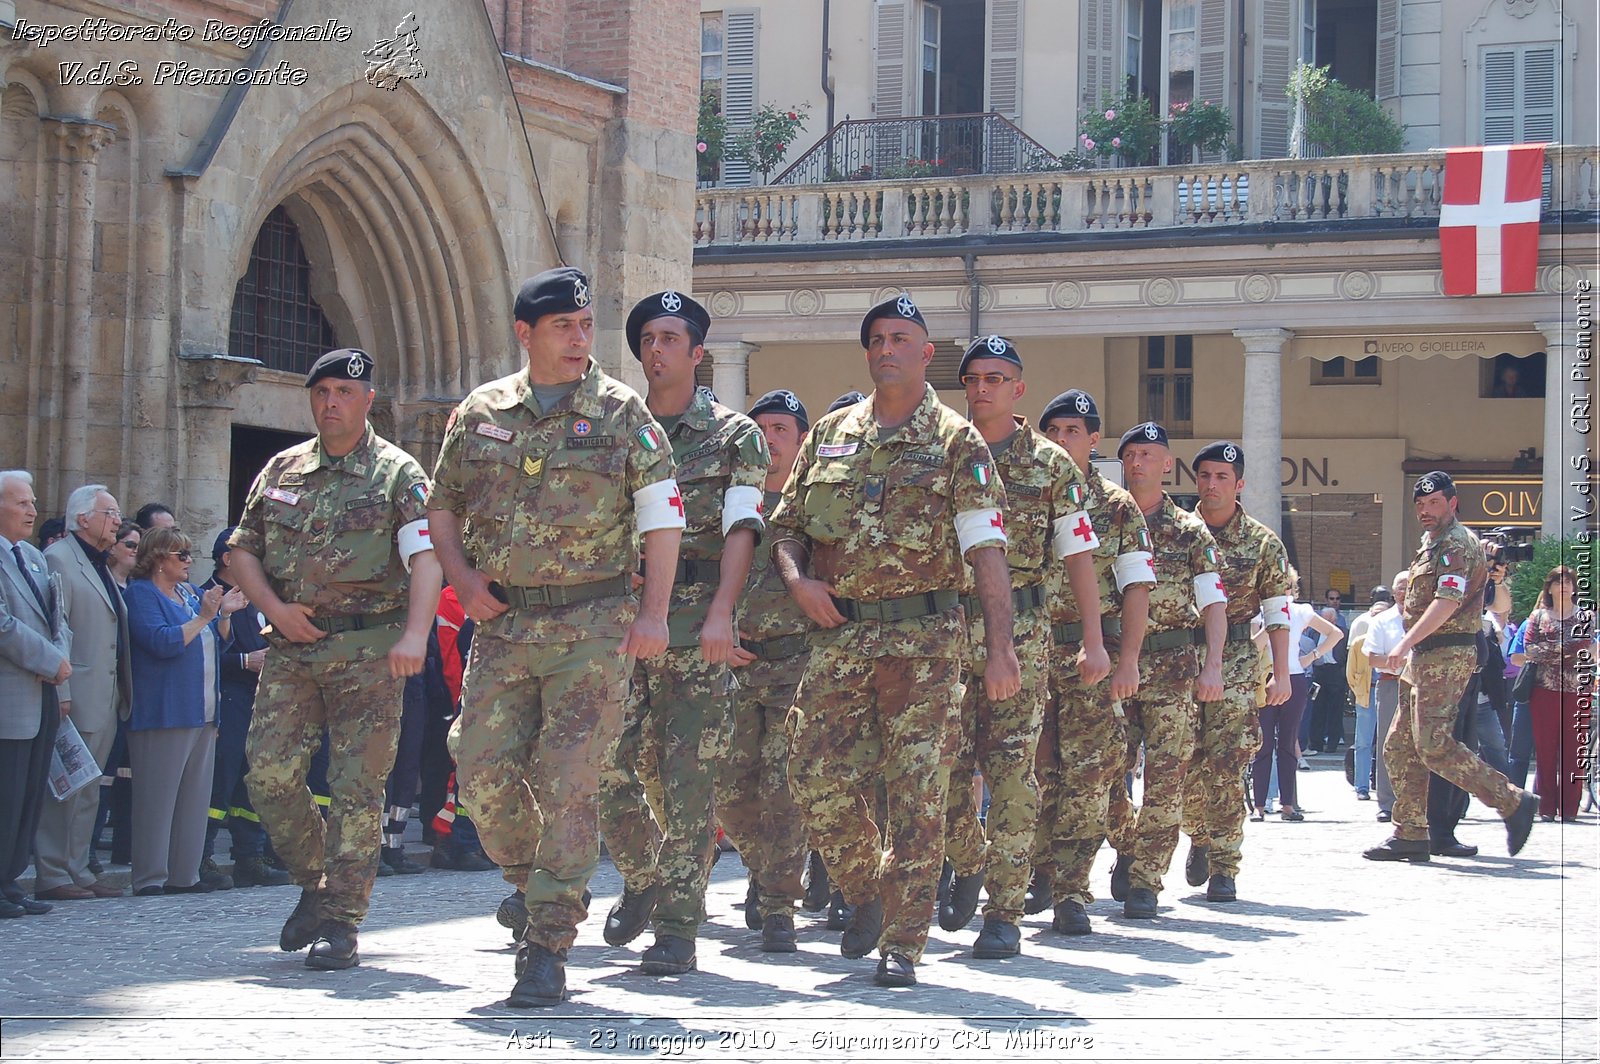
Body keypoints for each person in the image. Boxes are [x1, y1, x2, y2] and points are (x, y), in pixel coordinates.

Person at [427, 267, 684, 1007]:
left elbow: (662, 519)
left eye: (584, 325)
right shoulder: (481, 411)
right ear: (525, 333)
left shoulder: (620, 411)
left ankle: (545, 946)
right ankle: (536, 882)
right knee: (477, 771)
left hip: (593, 627)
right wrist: (463, 580)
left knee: (570, 785)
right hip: (505, 624)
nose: (579, 338)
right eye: (563, 326)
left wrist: (654, 614)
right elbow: (441, 506)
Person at [770, 293, 1017, 987]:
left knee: (916, 790)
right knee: (812, 771)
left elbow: (987, 551)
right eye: (876, 337)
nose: (886, 348)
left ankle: (905, 941)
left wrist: (1000, 649)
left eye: (900, 337)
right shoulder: (831, 433)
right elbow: (787, 528)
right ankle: (869, 886)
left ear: (925, 351)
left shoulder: (956, 441)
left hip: (925, 637)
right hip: (841, 635)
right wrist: (797, 582)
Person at [228, 348, 442, 970]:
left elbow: (425, 560)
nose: (331, 403)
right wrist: (274, 606)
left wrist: (414, 636)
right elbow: (243, 550)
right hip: (294, 648)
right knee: (267, 774)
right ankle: (316, 882)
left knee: (356, 788)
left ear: (367, 399)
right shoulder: (283, 468)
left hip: (370, 650)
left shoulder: (399, 474)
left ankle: (342, 921)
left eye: (343, 392)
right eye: (321, 392)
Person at [598, 291, 768, 977]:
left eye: (672, 338)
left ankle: (676, 926)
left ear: (698, 354)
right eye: (649, 339)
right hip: (621, 618)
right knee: (605, 765)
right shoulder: (613, 430)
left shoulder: (734, 437)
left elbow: (741, 528)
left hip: (698, 617)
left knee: (689, 776)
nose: (657, 349)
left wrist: (724, 611)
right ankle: (643, 875)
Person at [938, 339, 1107, 958]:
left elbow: (1080, 558)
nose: (982, 389)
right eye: (974, 379)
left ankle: (1004, 911)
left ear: (1019, 390)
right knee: (945, 769)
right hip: (946, 631)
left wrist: (1093, 639)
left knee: (1011, 773)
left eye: (996, 379)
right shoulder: (941, 452)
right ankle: (968, 857)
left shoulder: (1052, 466)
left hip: (1025, 635)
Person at [1362, 472, 1538, 863]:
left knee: (1434, 745)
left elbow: (1447, 602)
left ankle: (1513, 802)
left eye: (1434, 503)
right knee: (1400, 744)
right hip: (1426, 656)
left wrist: (1404, 643)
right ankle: (1410, 832)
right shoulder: (1434, 544)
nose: (1425, 511)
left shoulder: (1457, 543)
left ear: (1452, 502)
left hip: (1446, 654)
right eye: (1421, 505)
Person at [1031, 389, 1154, 936]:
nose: (1061, 441)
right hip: (1031, 652)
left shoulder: (1117, 507)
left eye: (1072, 432)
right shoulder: (1025, 496)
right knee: (1033, 770)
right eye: (1052, 432)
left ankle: (1070, 890)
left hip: (1091, 654)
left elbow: (1135, 588)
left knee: (1087, 774)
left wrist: (1126, 658)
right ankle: (1036, 866)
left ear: (1094, 440)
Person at [1103, 422, 1226, 919]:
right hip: (1114, 661)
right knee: (1105, 769)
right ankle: (1127, 842)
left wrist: (1213, 664)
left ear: (1167, 465)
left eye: (1148, 455)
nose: (1138, 463)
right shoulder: (1103, 519)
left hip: (1173, 665)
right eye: (1130, 455)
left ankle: (1147, 879)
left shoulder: (1190, 531)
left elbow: (1214, 602)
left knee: (1166, 776)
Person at [715, 388, 816, 953]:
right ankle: (766, 869)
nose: (770, 439)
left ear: (801, 440)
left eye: (781, 428)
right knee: (731, 789)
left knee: (784, 790)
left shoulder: (813, 507)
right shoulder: (736, 505)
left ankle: (779, 903)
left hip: (798, 664)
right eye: (761, 428)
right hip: (737, 662)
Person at [1180, 441, 1292, 901]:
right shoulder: (1180, 533)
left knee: (1226, 768)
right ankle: (1198, 834)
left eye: (1222, 477)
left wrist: (1281, 673)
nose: (1211, 485)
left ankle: (1226, 867)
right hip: (1181, 661)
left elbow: (1279, 611)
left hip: (1239, 668)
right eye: (1204, 476)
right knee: (1182, 765)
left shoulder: (1263, 542)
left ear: (1239, 484)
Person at [124, 526, 245, 896]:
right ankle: (150, 877)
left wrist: (222, 615)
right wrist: (207, 616)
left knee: (194, 799)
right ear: (159, 559)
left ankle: (184, 874)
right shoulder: (142, 594)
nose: (189, 561)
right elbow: (161, 642)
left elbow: (215, 646)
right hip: (165, 710)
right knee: (157, 800)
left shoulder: (188, 593)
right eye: (181, 555)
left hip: (203, 710)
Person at [35, 485, 131, 901]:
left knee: (90, 786)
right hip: (76, 691)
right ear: (82, 519)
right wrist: (62, 689)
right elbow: (56, 630)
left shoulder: (100, 564)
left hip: (105, 694)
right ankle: (53, 871)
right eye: (109, 513)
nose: (116, 520)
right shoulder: (58, 560)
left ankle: (78, 867)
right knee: (66, 786)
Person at [198, 528, 290, 889]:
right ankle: (201, 855)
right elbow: (202, 651)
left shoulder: (257, 597)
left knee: (251, 784)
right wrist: (242, 661)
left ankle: (249, 857)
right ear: (228, 559)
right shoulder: (208, 596)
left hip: (258, 701)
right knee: (219, 783)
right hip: (227, 699)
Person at [0, 469, 72, 919]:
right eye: (22, 502)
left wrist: (59, 658)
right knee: (5, 793)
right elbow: (3, 624)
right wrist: (49, 660)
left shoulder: (32, 556)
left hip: (43, 690)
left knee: (29, 793)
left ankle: (10, 879)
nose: (32, 510)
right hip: (11, 694)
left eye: (32, 502)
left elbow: (56, 616)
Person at [1251, 573, 1341, 823]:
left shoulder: (1301, 611)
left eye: (1288, 587)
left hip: (1295, 676)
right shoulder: (1260, 611)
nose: (1284, 591)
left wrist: (1311, 656)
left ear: (1293, 589)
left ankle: (1288, 804)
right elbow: (1253, 647)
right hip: (1265, 677)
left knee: (1289, 742)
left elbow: (1335, 634)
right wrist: (1271, 623)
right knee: (1263, 743)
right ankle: (1259, 805)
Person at [1521, 566, 1593, 821]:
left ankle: (1570, 809)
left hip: (1577, 691)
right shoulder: (1538, 616)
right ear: (1549, 587)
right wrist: (1566, 650)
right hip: (1543, 690)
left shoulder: (1585, 616)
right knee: (1545, 751)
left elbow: (1585, 645)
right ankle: (1547, 808)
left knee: (1574, 751)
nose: (1563, 585)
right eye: (1557, 581)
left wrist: (1551, 649)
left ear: (1574, 587)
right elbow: (1530, 649)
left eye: (1568, 581)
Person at [1345, 586, 1394, 800]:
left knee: (1388, 741)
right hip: (1367, 693)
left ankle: (1387, 785)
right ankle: (1361, 786)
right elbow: (1351, 671)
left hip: (1388, 689)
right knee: (1363, 741)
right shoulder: (1360, 641)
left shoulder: (1394, 638)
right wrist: (1358, 691)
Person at [1306, 589, 1350, 754]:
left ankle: (1332, 743)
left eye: (1329, 619)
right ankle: (1315, 743)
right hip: (1319, 672)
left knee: (1335, 710)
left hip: (1335, 673)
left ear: (1334, 619)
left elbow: (1346, 654)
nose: (1326, 622)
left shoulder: (1343, 633)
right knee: (1317, 708)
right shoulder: (1314, 632)